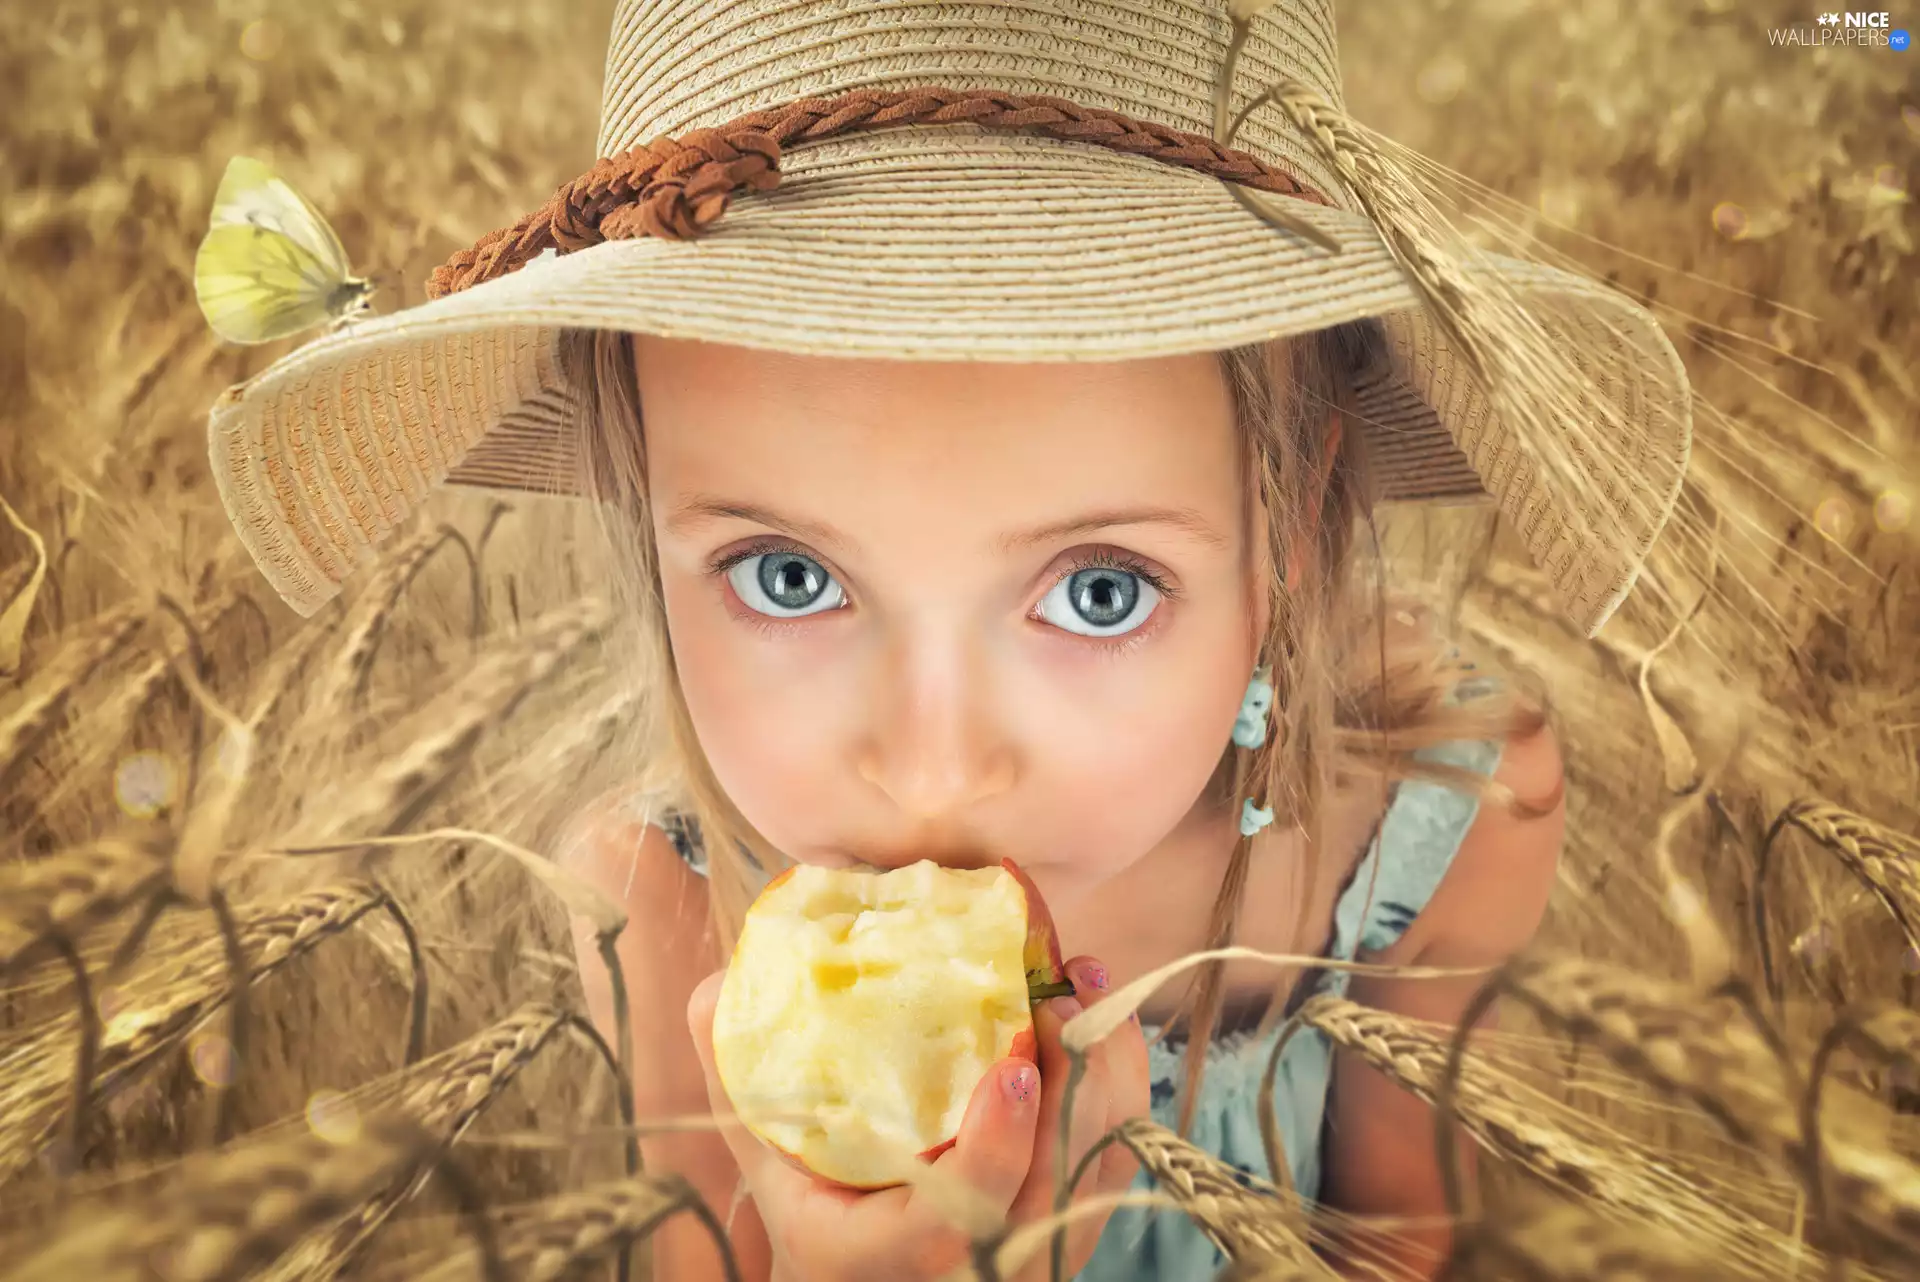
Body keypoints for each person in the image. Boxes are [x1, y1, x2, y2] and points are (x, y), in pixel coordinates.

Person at [202, 4, 1691, 1279]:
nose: (931, 759)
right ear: (646, 517)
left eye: (1099, 589)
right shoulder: (657, 907)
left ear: (1291, 528)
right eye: (785, 574)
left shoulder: (1450, 811)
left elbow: (1406, 1242)